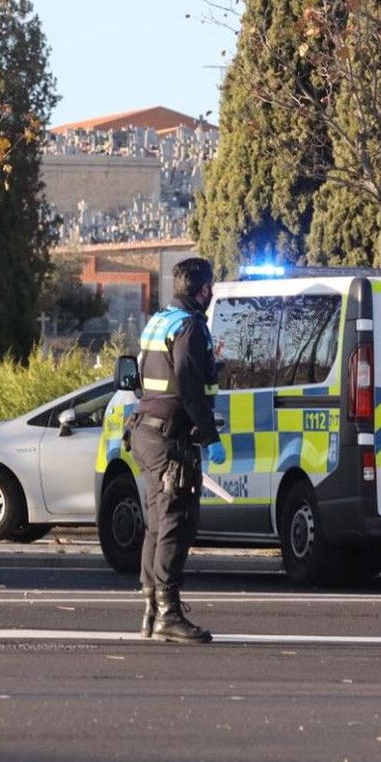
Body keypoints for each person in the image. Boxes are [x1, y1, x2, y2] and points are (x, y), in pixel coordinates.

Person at [128, 256, 220, 644]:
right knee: (176, 523)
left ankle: (151, 611)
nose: (211, 293)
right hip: (170, 439)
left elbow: (147, 377)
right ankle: (168, 613)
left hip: (146, 432)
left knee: (157, 523)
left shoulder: (159, 321)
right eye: (210, 287)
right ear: (202, 290)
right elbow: (185, 379)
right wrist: (210, 432)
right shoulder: (191, 327)